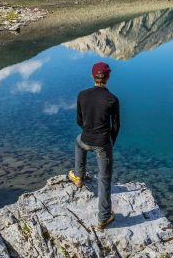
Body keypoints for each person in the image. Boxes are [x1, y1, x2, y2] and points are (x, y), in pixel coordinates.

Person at [68, 62, 120, 230]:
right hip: (102, 145)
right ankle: (103, 218)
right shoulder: (112, 99)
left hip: (85, 139)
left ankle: (78, 176)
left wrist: (88, 131)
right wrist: (110, 141)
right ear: (108, 77)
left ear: (92, 76)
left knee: (78, 142)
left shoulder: (82, 95)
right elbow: (116, 126)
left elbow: (79, 120)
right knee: (104, 179)